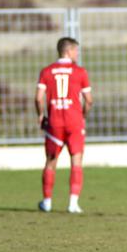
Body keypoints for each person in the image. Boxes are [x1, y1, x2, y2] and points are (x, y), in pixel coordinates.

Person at [35, 37, 93, 213]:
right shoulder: (80, 72)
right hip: (74, 122)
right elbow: (89, 100)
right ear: (68, 51)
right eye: (76, 50)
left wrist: (40, 115)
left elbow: (38, 98)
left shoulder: (46, 71)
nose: (77, 53)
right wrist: (82, 116)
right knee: (76, 160)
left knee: (51, 161)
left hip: (55, 123)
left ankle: (47, 202)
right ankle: (73, 203)